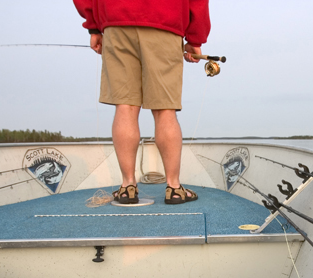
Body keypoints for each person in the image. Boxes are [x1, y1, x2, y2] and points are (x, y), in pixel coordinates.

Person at [73, 0, 210, 204]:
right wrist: (195, 37)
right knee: (165, 109)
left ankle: (128, 186)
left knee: (125, 106)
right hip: (165, 20)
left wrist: (94, 25)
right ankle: (173, 188)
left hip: (116, 21)